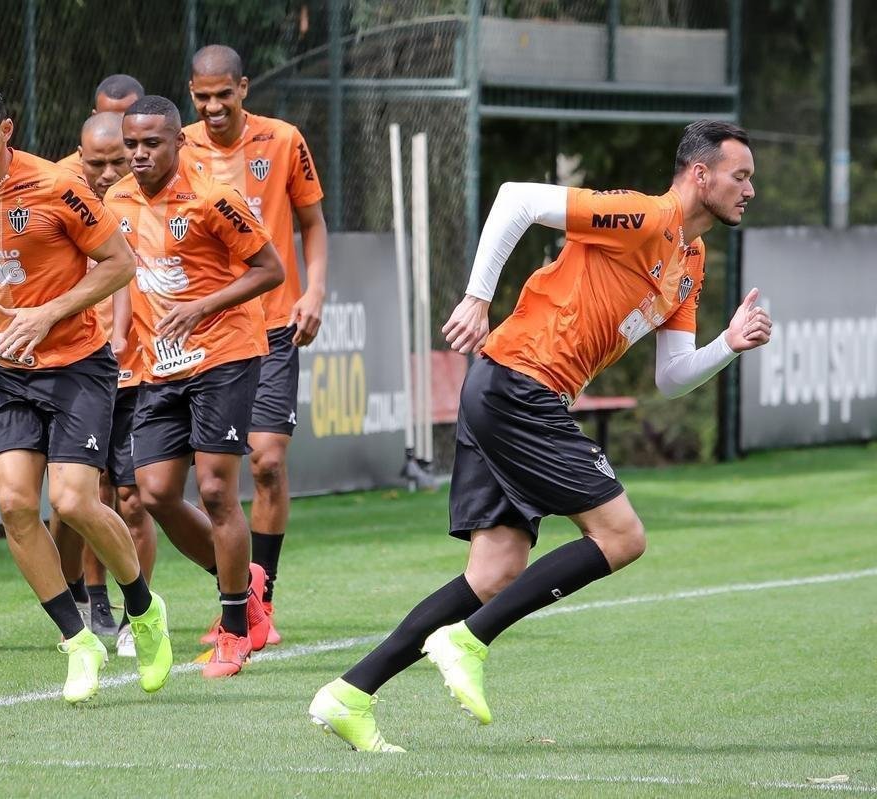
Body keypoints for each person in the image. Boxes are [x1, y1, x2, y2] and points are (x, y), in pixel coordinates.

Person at [310, 120, 770, 752]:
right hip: (517, 387)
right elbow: (516, 200)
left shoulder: (690, 261)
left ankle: (348, 694)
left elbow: (670, 377)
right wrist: (477, 297)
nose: (749, 189)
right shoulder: (641, 217)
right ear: (701, 175)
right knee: (622, 536)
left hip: (507, 390)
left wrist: (728, 344)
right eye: (740, 176)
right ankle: (468, 640)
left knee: (495, 570)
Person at [0, 81, 172, 703]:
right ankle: (78, 641)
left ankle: (143, 609)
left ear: (5, 132)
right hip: (7, 367)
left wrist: (48, 313)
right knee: (12, 505)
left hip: (76, 365)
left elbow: (119, 264)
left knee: (71, 502)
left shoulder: (57, 188)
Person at [104, 95, 284, 677]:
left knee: (214, 490)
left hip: (226, 353)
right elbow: (125, 276)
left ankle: (234, 630)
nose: (139, 154)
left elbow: (270, 270)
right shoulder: (118, 200)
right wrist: (118, 334)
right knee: (153, 493)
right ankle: (246, 586)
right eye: (131, 144)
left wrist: (202, 306)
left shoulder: (213, 199)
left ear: (179, 142)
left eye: (152, 143)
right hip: (162, 364)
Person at [185, 45, 329, 643]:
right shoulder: (178, 146)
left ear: (243, 88)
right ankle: (239, 598)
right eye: (203, 97)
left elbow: (312, 224)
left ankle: (260, 596)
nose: (214, 107)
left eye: (225, 94)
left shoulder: (284, 140)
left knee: (267, 462)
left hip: (272, 324)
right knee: (200, 485)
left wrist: (315, 291)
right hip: (207, 332)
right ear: (192, 94)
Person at [63, 110, 158, 657]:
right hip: (74, 369)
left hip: (136, 366)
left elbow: (126, 272)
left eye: (116, 161)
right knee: (84, 496)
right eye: (94, 162)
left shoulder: (134, 200)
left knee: (134, 496)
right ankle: (90, 598)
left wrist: (123, 333)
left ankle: (133, 612)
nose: (105, 172)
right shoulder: (58, 194)